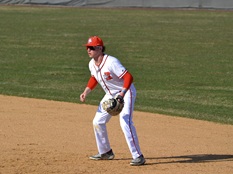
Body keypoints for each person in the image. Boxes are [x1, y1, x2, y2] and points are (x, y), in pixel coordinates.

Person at [80, 36, 145, 166]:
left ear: (99, 48)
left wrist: (121, 94)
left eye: (91, 48)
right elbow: (94, 78)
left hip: (126, 92)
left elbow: (128, 77)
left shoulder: (111, 62)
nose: (88, 50)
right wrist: (86, 91)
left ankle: (138, 156)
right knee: (97, 121)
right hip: (110, 94)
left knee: (125, 120)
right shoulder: (92, 64)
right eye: (87, 48)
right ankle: (105, 152)